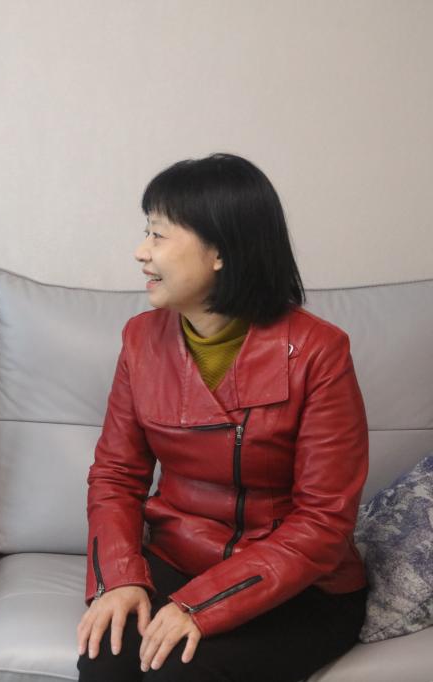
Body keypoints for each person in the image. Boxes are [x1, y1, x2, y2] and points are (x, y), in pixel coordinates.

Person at [76, 154, 369, 682]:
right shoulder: (140, 340)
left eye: (158, 234)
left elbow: (324, 521)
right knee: (107, 658)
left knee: (178, 673)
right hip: (177, 561)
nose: (141, 251)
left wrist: (201, 607)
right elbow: (116, 476)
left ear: (220, 251)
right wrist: (119, 578)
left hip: (297, 586)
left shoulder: (318, 351)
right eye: (146, 232)